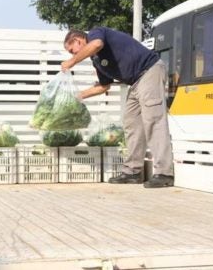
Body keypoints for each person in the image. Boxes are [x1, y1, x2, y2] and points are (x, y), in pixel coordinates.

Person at [61, 27, 174, 188]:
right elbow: (103, 86)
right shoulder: (97, 61)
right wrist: (78, 96)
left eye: (72, 50)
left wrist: (72, 62)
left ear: (78, 40)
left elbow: (97, 44)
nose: (73, 55)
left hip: (149, 71)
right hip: (135, 83)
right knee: (131, 123)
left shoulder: (95, 34)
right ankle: (132, 172)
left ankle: (164, 173)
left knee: (154, 121)